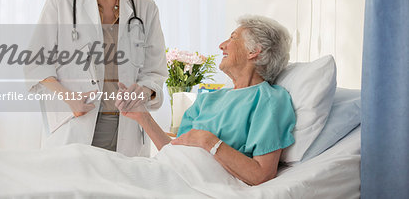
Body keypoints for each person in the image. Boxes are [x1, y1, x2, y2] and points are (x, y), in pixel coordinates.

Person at [24, 0, 167, 157]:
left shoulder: (146, 9)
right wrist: (70, 98)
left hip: (127, 129)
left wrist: (143, 92)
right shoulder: (62, 0)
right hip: (77, 123)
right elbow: (36, 64)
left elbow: (156, 72)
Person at [117, 15, 296, 186]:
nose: (221, 45)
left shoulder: (269, 100)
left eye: (233, 38)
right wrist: (143, 117)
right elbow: (175, 151)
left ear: (254, 51)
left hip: (194, 182)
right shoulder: (209, 98)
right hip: (166, 172)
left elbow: (261, 175)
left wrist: (209, 141)